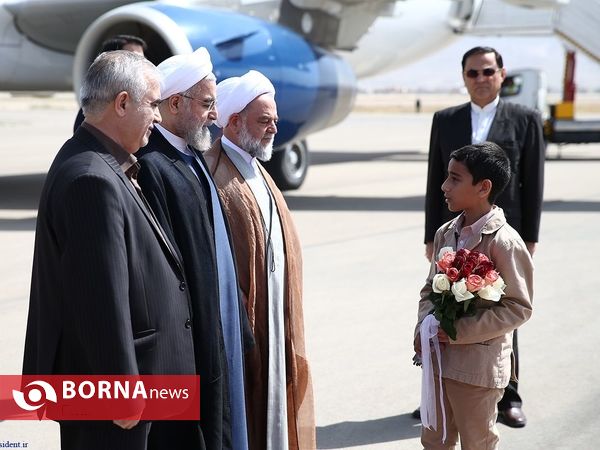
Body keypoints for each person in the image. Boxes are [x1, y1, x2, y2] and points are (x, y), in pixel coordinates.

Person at [22, 50, 196, 450]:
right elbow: (99, 297)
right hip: (111, 398)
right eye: (152, 104)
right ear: (122, 103)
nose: (158, 116)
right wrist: (119, 386)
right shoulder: (91, 178)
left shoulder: (102, 162)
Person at [136, 47, 253, 450]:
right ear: (174, 103)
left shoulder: (192, 154)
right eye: (206, 103)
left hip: (214, 321)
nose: (214, 114)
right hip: (187, 338)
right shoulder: (152, 164)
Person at [422, 46, 545, 427]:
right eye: (473, 73)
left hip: (501, 230)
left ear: (502, 75)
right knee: (448, 302)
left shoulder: (525, 119)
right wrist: (431, 236)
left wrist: (530, 236)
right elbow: (435, 179)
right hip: (456, 231)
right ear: (464, 77)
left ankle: (508, 394)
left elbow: (533, 181)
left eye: (488, 71)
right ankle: (444, 385)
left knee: (498, 311)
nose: (481, 79)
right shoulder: (446, 119)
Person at [203, 70, 316, 450]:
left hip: (274, 316)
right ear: (234, 121)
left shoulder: (256, 168)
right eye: (264, 121)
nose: (273, 129)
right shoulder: (214, 173)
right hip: (245, 322)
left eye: (275, 121)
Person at [415, 142, 533, 450]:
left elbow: (518, 308)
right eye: (447, 176)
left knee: (477, 443)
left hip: (477, 370)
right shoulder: (445, 232)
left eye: (455, 179)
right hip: (439, 362)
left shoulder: (504, 242)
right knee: (434, 440)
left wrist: (457, 331)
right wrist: (423, 327)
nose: (444, 186)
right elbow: (429, 289)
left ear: (484, 187)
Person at [73, 35, 147, 132]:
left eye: (143, 59)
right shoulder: (96, 104)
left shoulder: (145, 97)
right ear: (112, 61)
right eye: (134, 58)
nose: (142, 64)